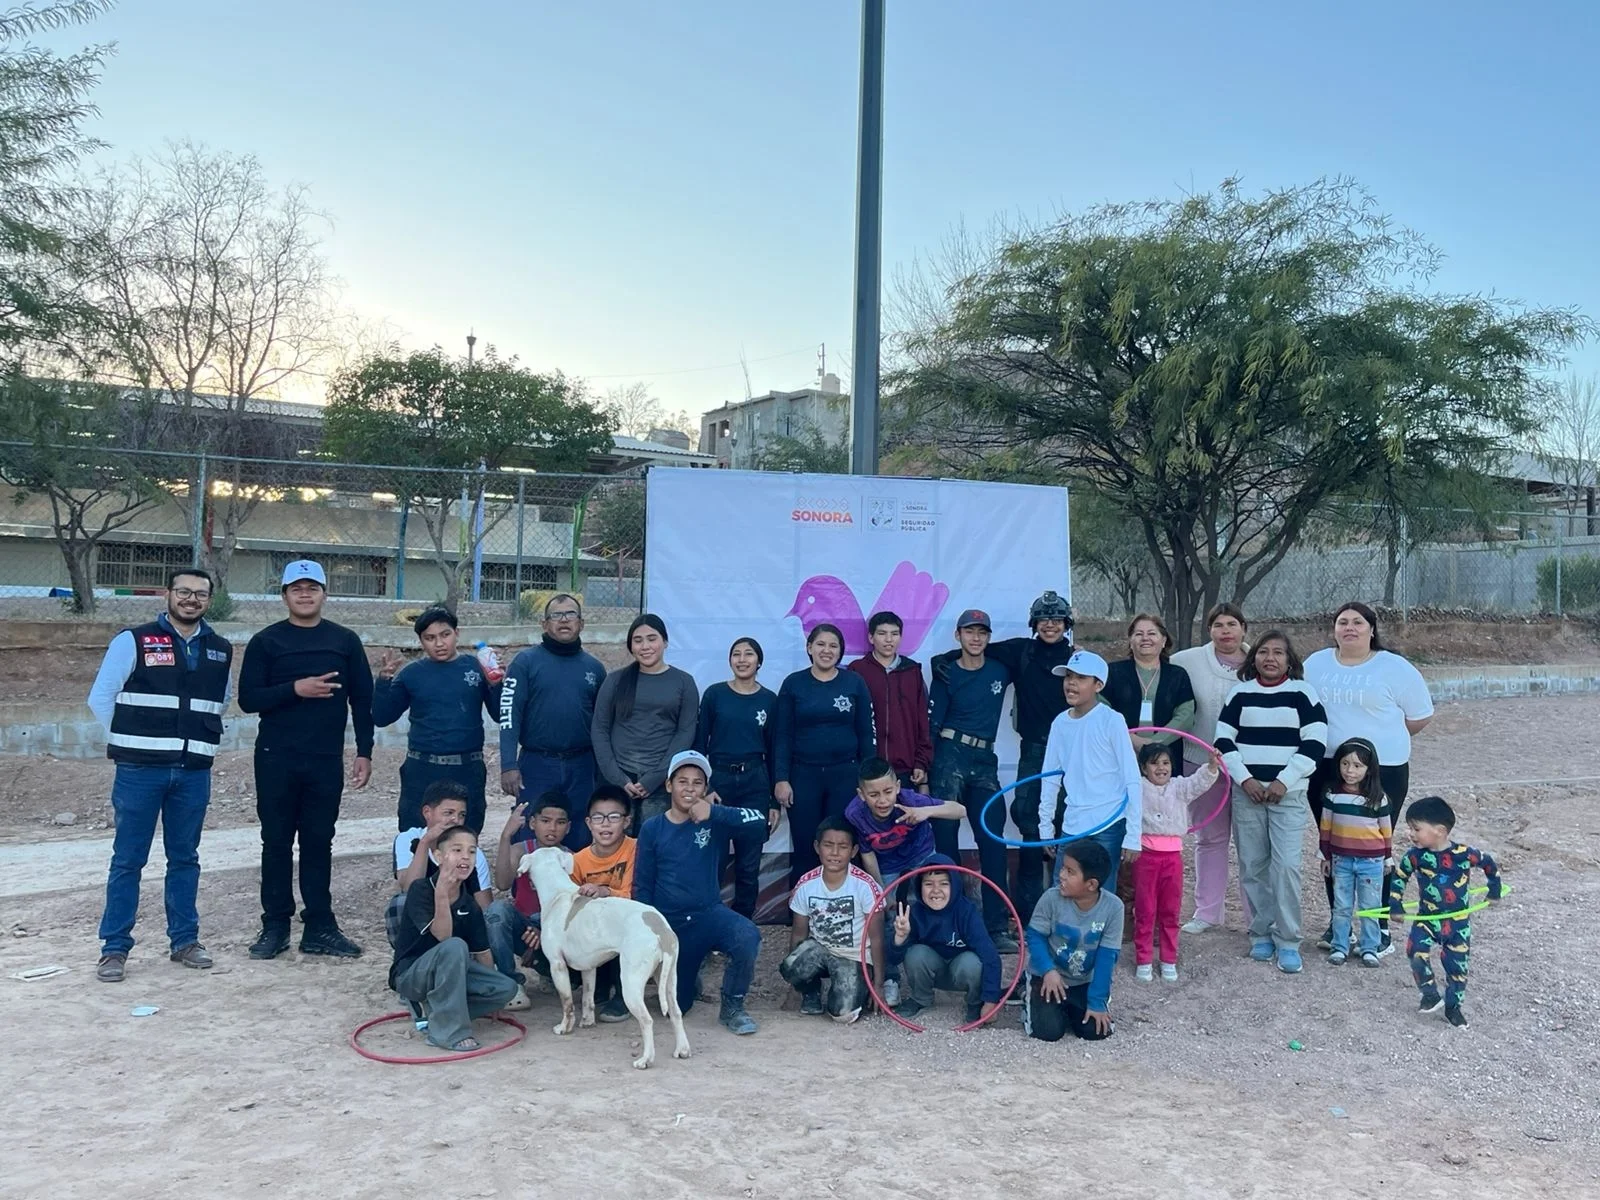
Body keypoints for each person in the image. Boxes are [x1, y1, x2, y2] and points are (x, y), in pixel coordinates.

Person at [87, 568, 233, 983]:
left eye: (200, 594)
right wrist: (132, 740)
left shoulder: (220, 649)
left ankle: (185, 941)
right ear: (168, 594)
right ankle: (114, 948)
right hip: (139, 773)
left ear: (209, 600)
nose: (191, 599)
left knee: (185, 859)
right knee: (128, 860)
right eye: (184, 592)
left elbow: (219, 702)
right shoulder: (133, 639)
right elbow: (100, 698)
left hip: (192, 774)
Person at [238, 559, 374, 960]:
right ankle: (275, 925)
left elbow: (362, 700)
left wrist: (364, 751)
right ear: (284, 596)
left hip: (324, 759)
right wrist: (295, 688)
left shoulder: (345, 641)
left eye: (312, 587)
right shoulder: (266, 642)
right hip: (276, 757)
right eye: (296, 588)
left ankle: (320, 926)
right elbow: (249, 699)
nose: (304, 593)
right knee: (276, 842)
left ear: (324, 594)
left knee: (319, 842)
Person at [1305, 601, 1434, 956]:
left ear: (1372, 629)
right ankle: (1339, 923)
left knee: (1374, 848)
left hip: (1383, 771)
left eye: (1357, 622)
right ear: (1333, 629)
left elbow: (1419, 717)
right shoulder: (1315, 664)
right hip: (1328, 768)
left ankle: (1376, 927)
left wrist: (1377, 746)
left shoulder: (1394, 667)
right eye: (1342, 622)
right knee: (1335, 845)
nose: (1350, 628)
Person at [949, 589, 1075, 922]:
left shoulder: (1077, 659)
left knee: (1069, 819)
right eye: (1044, 619)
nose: (1050, 625)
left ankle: (1068, 906)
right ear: (1034, 623)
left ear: (1066, 623)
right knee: (1029, 820)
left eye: (1057, 619)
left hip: (1071, 750)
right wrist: (941, 662)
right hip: (1033, 748)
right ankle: (1030, 912)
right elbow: (974, 648)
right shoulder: (1021, 651)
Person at [1214, 630, 1327, 975]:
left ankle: (1289, 940)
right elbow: (1222, 740)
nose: (1270, 658)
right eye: (1264, 652)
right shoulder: (1240, 694)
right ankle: (1261, 933)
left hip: (1287, 795)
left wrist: (1283, 781)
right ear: (1254, 658)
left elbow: (1316, 742)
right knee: (1253, 865)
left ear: (1289, 660)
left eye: (1278, 652)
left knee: (1287, 867)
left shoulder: (1302, 694)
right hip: (1247, 793)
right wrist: (1244, 779)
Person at [633, 751, 769, 1035]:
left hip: (709, 913)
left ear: (706, 789)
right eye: (682, 781)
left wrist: (715, 811)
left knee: (747, 936)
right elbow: (643, 884)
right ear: (669, 785)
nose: (690, 789)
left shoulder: (714, 820)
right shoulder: (652, 828)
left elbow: (760, 823)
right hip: (670, 923)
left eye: (697, 783)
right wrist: (646, 929)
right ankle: (687, 978)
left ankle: (732, 1005)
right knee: (676, 1005)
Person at [844, 756, 966, 1007]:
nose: (883, 800)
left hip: (921, 855)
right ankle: (891, 979)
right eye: (874, 794)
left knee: (932, 904)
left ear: (898, 787)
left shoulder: (911, 799)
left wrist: (925, 811)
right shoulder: (854, 813)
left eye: (888, 792)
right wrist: (882, 891)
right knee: (887, 917)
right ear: (861, 795)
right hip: (886, 865)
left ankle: (948, 963)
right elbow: (866, 853)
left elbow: (960, 810)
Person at [928, 608, 1017, 948]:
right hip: (949, 754)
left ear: (989, 637)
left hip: (984, 760)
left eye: (982, 632)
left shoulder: (1000, 669)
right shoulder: (946, 671)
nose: (975, 638)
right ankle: (948, 924)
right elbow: (932, 724)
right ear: (958, 635)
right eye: (969, 632)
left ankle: (996, 927)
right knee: (945, 843)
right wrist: (928, 768)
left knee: (993, 839)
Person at [390, 824, 519, 1053]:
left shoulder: (469, 903)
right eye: (457, 850)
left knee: (506, 988)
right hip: (412, 974)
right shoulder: (422, 889)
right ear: (438, 856)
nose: (465, 857)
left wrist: (492, 995)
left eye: (471, 851)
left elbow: (483, 953)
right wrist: (441, 892)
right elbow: (443, 935)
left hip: (452, 974)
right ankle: (449, 1033)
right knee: (454, 945)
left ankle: (435, 1011)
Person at [373, 606, 499, 834]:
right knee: (416, 837)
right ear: (421, 640)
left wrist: (496, 684)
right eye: (430, 638)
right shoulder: (412, 674)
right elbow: (382, 717)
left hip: (467, 767)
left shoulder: (476, 668)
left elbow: (500, 714)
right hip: (422, 768)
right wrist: (383, 682)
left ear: (457, 633)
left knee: (464, 836)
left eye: (445, 635)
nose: (439, 643)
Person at [498, 593, 607, 847]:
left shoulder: (594, 668)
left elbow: (603, 724)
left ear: (582, 623)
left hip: (582, 764)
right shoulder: (525, 663)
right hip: (537, 764)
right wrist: (508, 764)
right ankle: (527, 886)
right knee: (531, 828)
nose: (564, 620)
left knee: (578, 830)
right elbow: (508, 714)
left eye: (570, 614)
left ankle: (575, 886)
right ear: (544, 624)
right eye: (556, 615)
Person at [773, 623, 876, 886]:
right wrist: (781, 779)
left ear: (841, 651)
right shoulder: (793, 684)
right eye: (820, 644)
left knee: (842, 842)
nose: (826, 650)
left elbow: (866, 733)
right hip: (802, 775)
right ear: (809, 647)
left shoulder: (854, 682)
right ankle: (801, 911)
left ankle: (845, 907)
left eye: (833, 646)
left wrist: (869, 782)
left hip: (845, 775)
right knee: (807, 844)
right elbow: (782, 735)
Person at [1170, 604, 1251, 935]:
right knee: (1209, 837)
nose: (1226, 631)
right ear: (1209, 630)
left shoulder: (1261, 660)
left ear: (1244, 628)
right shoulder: (1187, 661)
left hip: (1248, 765)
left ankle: (1256, 917)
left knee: (1251, 842)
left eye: (1232, 624)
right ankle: (1207, 912)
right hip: (1202, 761)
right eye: (1218, 625)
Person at [1390, 796, 1503, 1029]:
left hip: (1458, 922)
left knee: (1457, 967)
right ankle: (1429, 994)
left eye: (1416, 829)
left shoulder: (1464, 853)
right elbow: (1399, 879)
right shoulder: (1414, 856)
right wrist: (1396, 906)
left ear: (1440, 831)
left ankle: (1454, 1007)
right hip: (1426, 918)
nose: (1411, 833)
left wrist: (1494, 891)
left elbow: (1489, 865)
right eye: (1410, 828)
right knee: (1415, 950)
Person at [1036, 650, 1143, 894]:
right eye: (1068, 676)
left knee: (1102, 894)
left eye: (1081, 678)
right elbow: (1050, 777)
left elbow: (1132, 777)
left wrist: (1133, 835)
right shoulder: (1060, 723)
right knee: (1062, 890)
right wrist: (1045, 827)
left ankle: (1100, 933)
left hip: (1109, 823)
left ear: (1098, 685)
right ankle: (1063, 934)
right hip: (1072, 824)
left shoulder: (1112, 720)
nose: (1071, 683)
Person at [591, 614, 700, 833]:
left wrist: (655, 778)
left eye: (652, 639)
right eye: (638, 640)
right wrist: (618, 778)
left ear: (665, 642)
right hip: (618, 780)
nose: (645, 646)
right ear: (630, 646)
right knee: (615, 849)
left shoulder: (684, 682)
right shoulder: (615, 680)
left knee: (655, 848)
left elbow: (685, 733)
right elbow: (599, 730)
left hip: (661, 782)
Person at [696, 636, 780, 919]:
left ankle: (743, 924)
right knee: (713, 859)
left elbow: (775, 750)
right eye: (736, 654)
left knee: (748, 863)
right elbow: (699, 745)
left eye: (749, 654)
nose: (742, 659)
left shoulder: (769, 700)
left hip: (755, 782)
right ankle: (709, 920)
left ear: (759, 661)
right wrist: (704, 787)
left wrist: (773, 802)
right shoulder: (714, 695)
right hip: (718, 781)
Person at [779, 818, 886, 1022]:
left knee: (844, 1015)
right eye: (828, 845)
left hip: (853, 956)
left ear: (853, 851)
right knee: (790, 966)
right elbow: (799, 934)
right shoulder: (806, 884)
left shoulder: (865, 886)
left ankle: (851, 988)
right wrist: (795, 985)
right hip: (820, 950)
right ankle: (811, 992)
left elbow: (878, 939)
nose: (835, 853)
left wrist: (878, 986)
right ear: (817, 847)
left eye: (842, 847)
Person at [1132, 742, 1219, 983]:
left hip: (1172, 858)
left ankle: (1169, 958)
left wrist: (1211, 766)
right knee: (1145, 909)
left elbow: (1198, 782)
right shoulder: (1137, 787)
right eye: (1154, 763)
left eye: (1166, 763)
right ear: (1143, 768)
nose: (1161, 768)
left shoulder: (1179, 787)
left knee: (1170, 910)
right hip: (1146, 856)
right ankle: (1144, 958)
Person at [1022, 838, 1123, 1042]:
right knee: (1048, 1033)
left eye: (1070, 872)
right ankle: (1028, 997)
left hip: (1084, 980)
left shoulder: (1114, 908)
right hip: (1049, 975)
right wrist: (1048, 971)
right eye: (1062, 868)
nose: (1061, 875)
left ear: (1091, 884)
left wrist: (1097, 1002)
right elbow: (1034, 936)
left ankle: (1073, 1007)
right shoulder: (1051, 898)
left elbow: (1106, 958)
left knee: (1096, 1032)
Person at [886, 855, 1003, 1025]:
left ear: (955, 885)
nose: (935, 890)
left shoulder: (966, 912)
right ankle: (921, 998)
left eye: (944, 883)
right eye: (928, 884)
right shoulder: (914, 913)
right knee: (915, 954)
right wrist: (900, 938)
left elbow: (991, 956)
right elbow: (893, 959)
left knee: (972, 961)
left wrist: (991, 1000)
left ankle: (975, 1002)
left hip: (961, 971)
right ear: (919, 887)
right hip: (934, 970)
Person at [1317, 738, 1392, 967]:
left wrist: (1388, 857)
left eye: (1358, 766)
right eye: (1345, 764)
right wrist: (1325, 855)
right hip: (1342, 859)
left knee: (1370, 907)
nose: (1350, 770)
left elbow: (1386, 829)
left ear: (1369, 769)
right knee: (1341, 905)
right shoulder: (1332, 795)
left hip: (1371, 861)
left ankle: (1369, 947)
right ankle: (1340, 946)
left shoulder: (1377, 798)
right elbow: (1325, 827)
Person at [567, 785, 638, 1020]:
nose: (605, 824)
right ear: (588, 823)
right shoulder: (578, 860)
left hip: (627, 924)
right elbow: (570, 902)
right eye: (598, 817)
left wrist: (604, 891)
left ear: (627, 821)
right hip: (592, 931)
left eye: (614, 817)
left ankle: (623, 995)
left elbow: (633, 895)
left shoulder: (636, 850)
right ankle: (596, 986)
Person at [485, 791, 572, 982]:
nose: (552, 828)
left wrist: (545, 932)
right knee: (497, 910)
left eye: (560, 822)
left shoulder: (570, 859)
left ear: (568, 827)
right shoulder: (521, 851)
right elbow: (502, 883)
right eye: (546, 821)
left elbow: (571, 912)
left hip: (555, 931)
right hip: (524, 928)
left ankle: (552, 973)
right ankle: (510, 982)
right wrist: (506, 836)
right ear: (533, 823)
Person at [847, 609, 933, 794]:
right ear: (871, 638)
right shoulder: (856, 671)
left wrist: (921, 761)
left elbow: (923, 722)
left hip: (905, 769)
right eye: (882, 634)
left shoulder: (912, 672)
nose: (889, 640)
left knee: (902, 821)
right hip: (867, 767)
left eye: (894, 634)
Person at [1101, 614, 1196, 750]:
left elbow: (1186, 717)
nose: (1145, 638)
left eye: (1152, 633)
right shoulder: (1112, 672)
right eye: (1139, 634)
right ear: (1131, 641)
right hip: (1120, 749)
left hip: (1165, 755)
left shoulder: (1178, 675)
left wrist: (1155, 743)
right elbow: (1102, 711)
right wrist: (1130, 739)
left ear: (1163, 641)